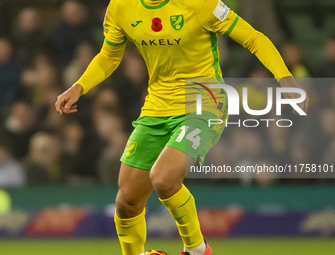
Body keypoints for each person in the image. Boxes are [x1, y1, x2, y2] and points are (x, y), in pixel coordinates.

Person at [55, 0, 309, 254]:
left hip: (204, 103)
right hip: (156, 108)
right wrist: (79, 86)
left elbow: (253, 37)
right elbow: (109, 56)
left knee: (163, 179)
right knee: (126, 202)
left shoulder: (200, 4)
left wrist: (286, 80)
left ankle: (197, 249)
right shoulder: (121, 7)